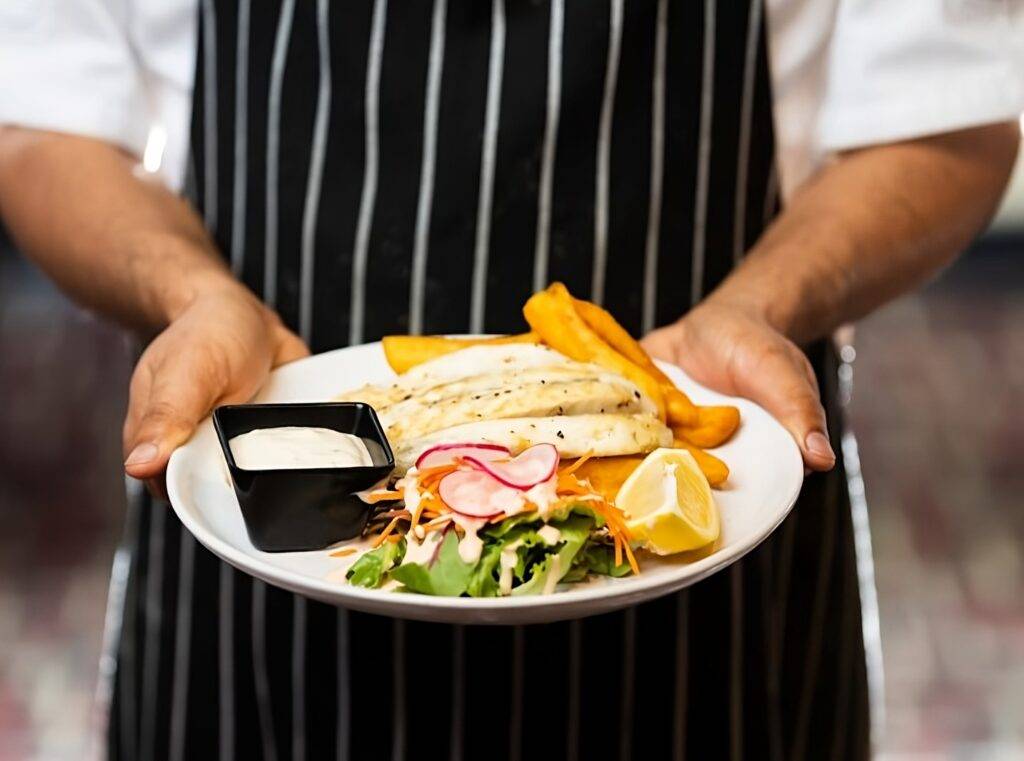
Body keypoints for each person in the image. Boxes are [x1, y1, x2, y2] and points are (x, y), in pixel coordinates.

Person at [0, 1, 1020, 759]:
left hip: (699, 582)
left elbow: (947, 117)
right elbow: (44, 125)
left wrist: (759, 307)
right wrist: (189, 297)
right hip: (259, 531)